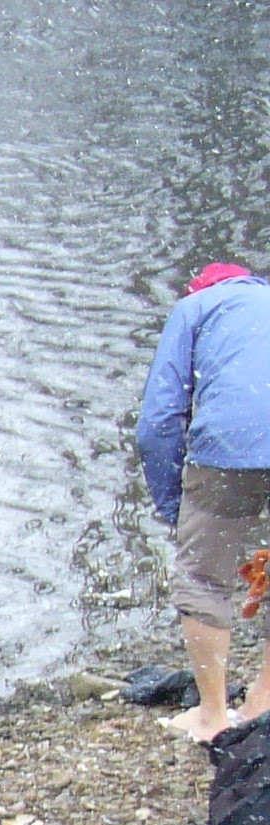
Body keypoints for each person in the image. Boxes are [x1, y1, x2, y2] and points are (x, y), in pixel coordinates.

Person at [136, 262, 270, 743]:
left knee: (203, 577)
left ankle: (212, 717)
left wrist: (176, 509)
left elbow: (158, 422)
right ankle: (262, 704)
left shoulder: (194, 308)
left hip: (232, 442)